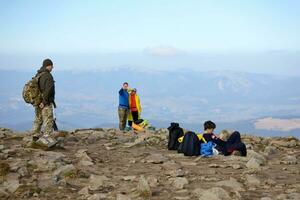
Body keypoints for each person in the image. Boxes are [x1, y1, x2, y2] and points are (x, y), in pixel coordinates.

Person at [32, 59, 56, 140]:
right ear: (48, 66)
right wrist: (44, 102)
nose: (52, 67)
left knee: (38, 120)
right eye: (51, 66)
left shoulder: (38, 74)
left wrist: (39, 101)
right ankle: (46, 140)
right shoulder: (48, 76)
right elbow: (48, 90)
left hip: (37, 102)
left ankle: (35, 138)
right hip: (45, 102)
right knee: (48, 120)